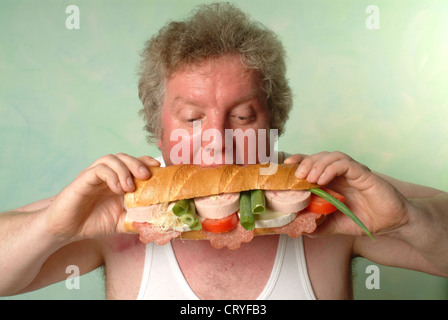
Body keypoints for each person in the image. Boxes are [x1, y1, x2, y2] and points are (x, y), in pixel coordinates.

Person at [0, 3, 447, 300]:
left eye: (242, 116)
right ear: (158, 128)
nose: (216, 140)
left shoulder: (326, 192)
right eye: (193, 118)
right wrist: (54, 226)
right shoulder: (117, 203)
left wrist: (409, 220)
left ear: (274, 121)